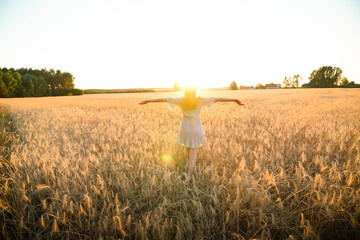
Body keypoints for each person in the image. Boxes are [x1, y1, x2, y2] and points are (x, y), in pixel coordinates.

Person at [139, 86, 244, 178]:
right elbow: (218, 99)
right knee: (193, 152)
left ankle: (188, 169)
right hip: (196, 128)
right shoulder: (200, 100)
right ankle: (189, 175)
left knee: (188, 149)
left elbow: (164, 99)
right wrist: (234, 100)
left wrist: (148, 101)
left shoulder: (181, 100)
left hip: (185, 127)